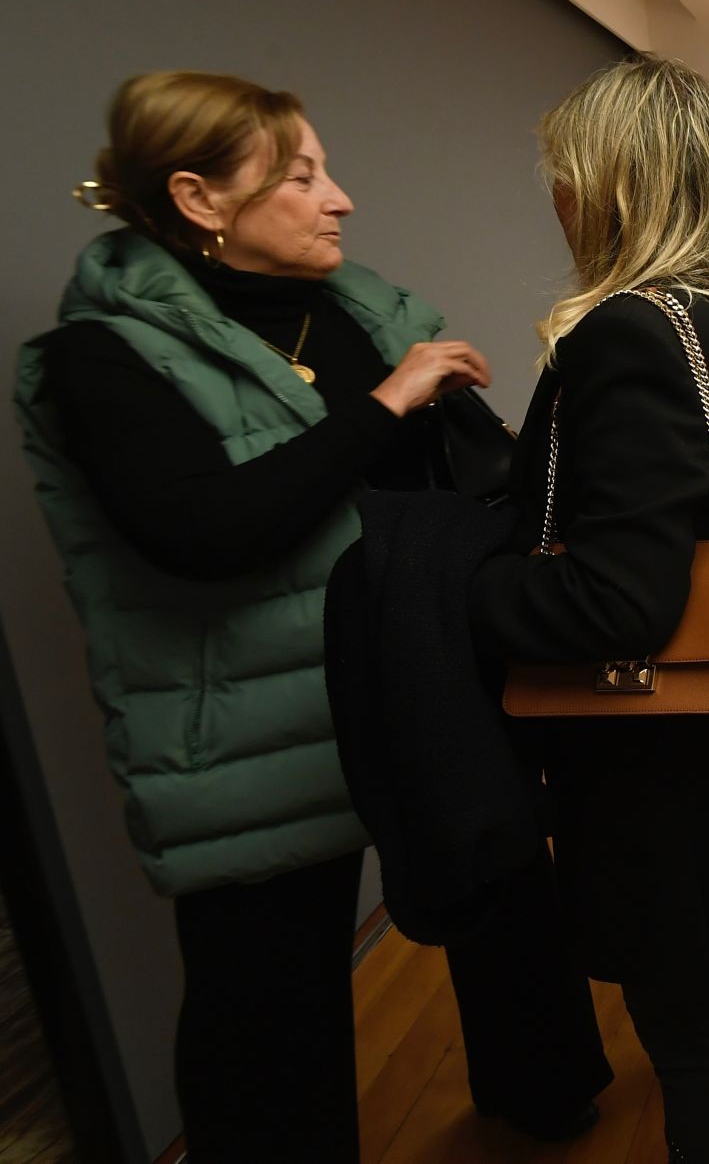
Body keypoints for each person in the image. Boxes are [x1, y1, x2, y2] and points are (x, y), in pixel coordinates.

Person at [14, 71, 610, 1163]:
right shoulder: (98, 360)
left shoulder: (363, 313)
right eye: (301, 176)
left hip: (425, 687)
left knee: (507, 903)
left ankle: (546, 1102)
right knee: (268, 1015)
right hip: (255, 744)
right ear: (198, 199)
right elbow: (203, 533)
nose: (339, 199)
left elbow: (463, 494)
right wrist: (388, 406)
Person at [465, 54, 709, 1164]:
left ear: (616, 183)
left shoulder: (626, 332)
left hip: (645, 751)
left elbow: (619, 600)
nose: (557, 195)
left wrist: (474, 586)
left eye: (565, 171)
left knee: (688, 1037)